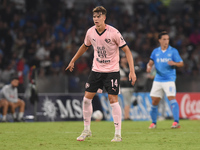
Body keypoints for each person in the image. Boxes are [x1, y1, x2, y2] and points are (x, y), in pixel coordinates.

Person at [65, 6, 136, 142]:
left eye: (98, 16)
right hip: (96, 70)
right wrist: (73, 60)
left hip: (112, 72)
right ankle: (86, 130)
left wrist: (132, 71)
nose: (96, 19)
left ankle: (117, 134)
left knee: (113, 100)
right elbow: (84, 46)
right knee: (86, 99)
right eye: (94, 17)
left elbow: (127, 51)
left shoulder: (114, 32)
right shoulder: (90, 32)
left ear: (104, 17)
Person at [146, 31, 184, 129]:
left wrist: (174, 63)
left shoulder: (173, 51)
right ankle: (153, 123)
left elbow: (181, 63)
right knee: (154, 101)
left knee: (171, 97)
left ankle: (176, 122)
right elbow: (151, 62)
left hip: (169, 79)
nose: (166, 41)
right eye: (164, 39)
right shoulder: (155, 51)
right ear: (159, 40)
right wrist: (149, 66)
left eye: (167, 39)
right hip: (158, 79)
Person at [119, 55, 134, 120]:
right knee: (127, 102)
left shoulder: (128, 67)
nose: (125, 60)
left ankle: (126, 116)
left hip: (130, 86)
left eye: (126, 58)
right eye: (123, 58)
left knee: (128, 102)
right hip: (123, 87)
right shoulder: (119, 67)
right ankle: (126, 116)